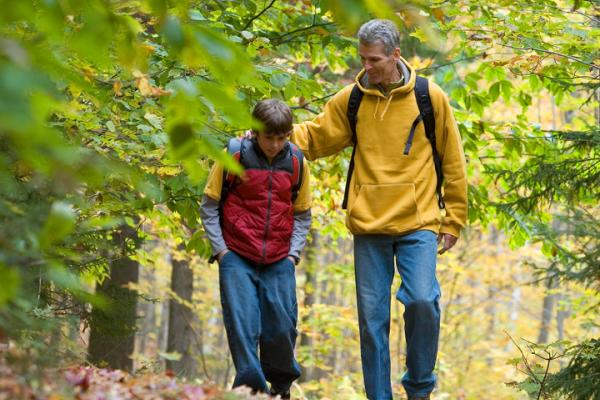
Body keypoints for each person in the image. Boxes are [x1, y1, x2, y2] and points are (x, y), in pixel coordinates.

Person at [291, 19, 467, 400]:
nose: (366, 68)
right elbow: (316, 136)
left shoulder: (429, 97)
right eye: (362, 59)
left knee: (422, 301)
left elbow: (452, 160)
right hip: (368, 225)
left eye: (373, 60)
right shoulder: (352, 99)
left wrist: (453, 217)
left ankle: (419, 389)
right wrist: (268, 134)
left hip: (418, 222)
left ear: (395, 55)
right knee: (372, 324)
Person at [200, 99, 312, 399]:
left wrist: (292, 255)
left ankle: (281, 387)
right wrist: (221, 251)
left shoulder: (297, 161)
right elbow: (209, 205)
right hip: (236, 254)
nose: (275, 144)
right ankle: (251, 391)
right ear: (255, 132)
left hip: (279, 258)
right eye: (269, 137)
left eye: (282, 137)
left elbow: (302, 213)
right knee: (243, 325)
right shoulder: (234, 155)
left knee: (282, 327)